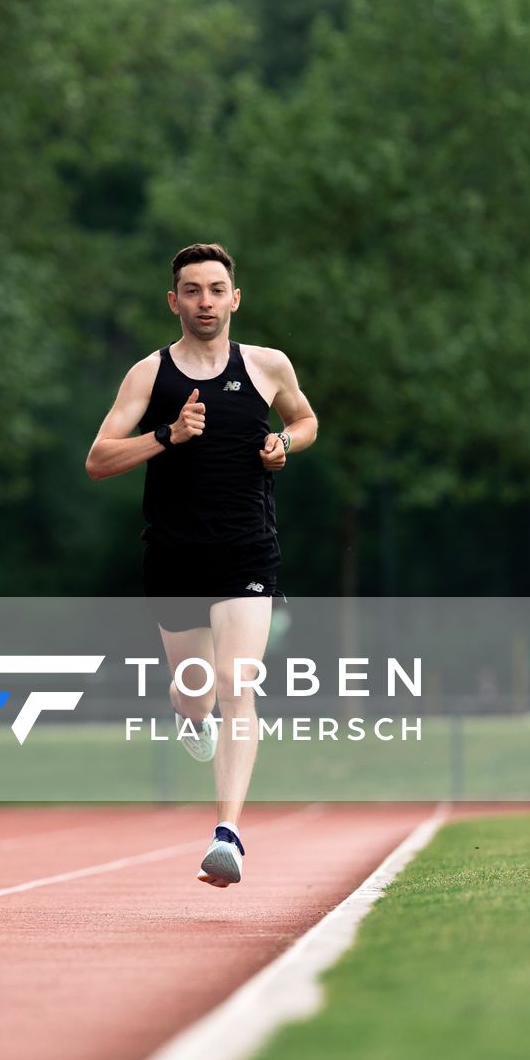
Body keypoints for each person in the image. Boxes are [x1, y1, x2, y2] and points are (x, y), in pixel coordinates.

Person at [85, 243, 318, 887]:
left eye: (217, 289)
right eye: (192, 290)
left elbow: (305, 419)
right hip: (173, 555)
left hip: (247, 550)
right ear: (174, 301)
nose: (205, 301)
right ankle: (192, 719)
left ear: (235, 298)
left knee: (236, 683)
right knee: (196, 692)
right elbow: (98, 460)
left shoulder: (268, 367)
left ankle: (229, 836)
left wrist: (283, 446)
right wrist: (167, 436)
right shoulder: (148, 376)